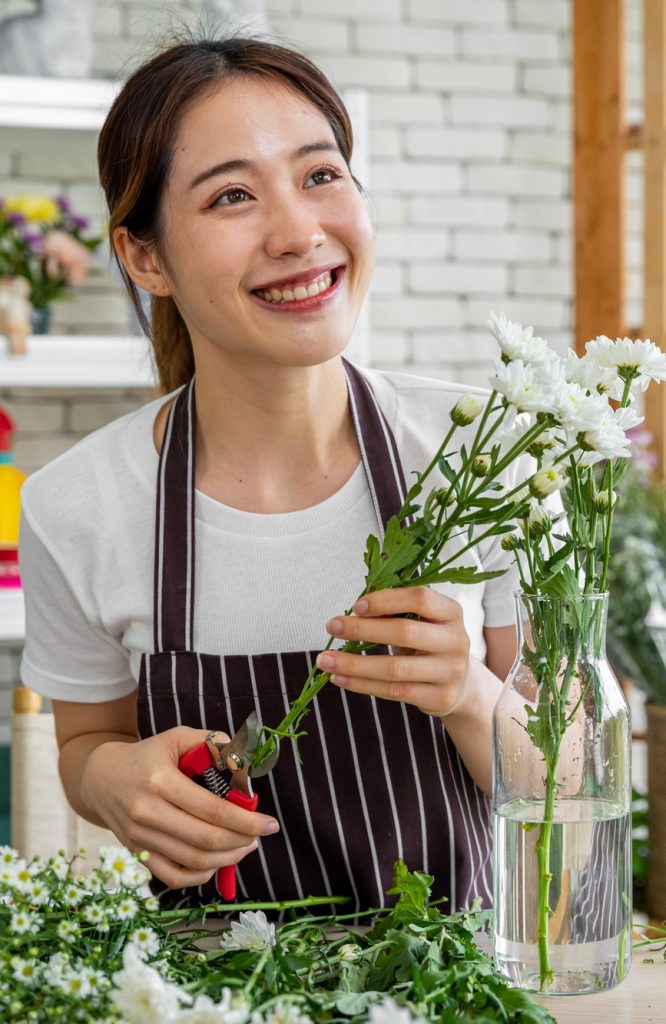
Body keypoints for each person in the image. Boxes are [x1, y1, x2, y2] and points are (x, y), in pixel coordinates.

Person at [18, 36, 521, 914]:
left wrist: (469, 693)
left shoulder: (491, 454)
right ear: (145, 259)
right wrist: (112, 785)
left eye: (320, 175)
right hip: (205, 995)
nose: (298, 233)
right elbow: (85, 745)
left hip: (461, 987)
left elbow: (578, 783)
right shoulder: (77, 506)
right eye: (233, 196)